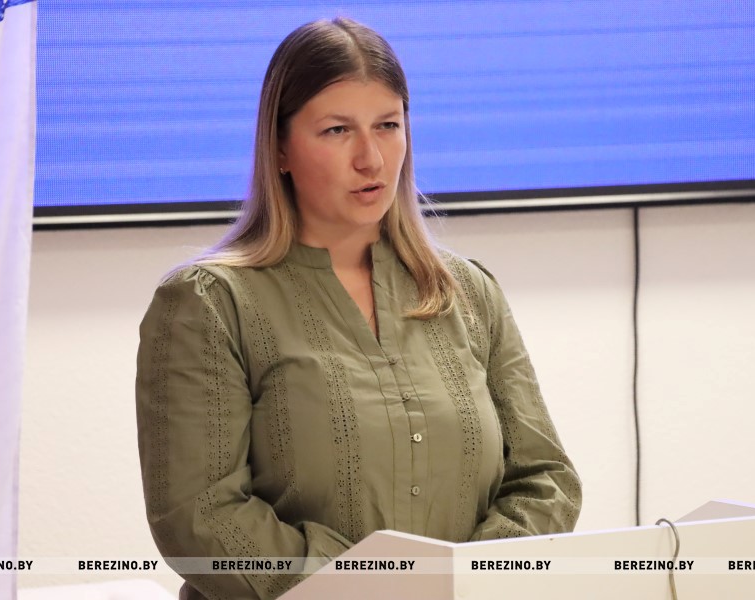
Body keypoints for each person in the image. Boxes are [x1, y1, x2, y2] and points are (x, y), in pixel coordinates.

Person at [135, 17, 581, 600]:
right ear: (280, 148)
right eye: (337, 130)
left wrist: (463, 582)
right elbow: (200, 518)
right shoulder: (208, 303)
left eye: (388, 125)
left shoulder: (468, 291)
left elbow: (546, 480)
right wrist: (374, 588)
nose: (371, 159)